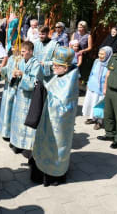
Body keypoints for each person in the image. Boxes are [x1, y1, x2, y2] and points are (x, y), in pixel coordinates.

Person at [31, 46, 79, 186]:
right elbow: (51, 86)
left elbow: (63, 105)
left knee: (57, 147)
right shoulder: (61, 74)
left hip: (59, 124)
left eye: (57, 65)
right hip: (47, 121)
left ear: (66, 66)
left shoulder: (71, 79)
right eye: (54, 64)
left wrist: (45, 94)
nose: (54, 67)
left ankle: (54, 175)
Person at [8, 41, 42, 153]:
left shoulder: (36, 64)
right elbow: (16, 77)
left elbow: (34, 82)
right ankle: (17, 143)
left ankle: (27, 145)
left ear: (30, 51)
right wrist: (14, 75)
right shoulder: (22, 61)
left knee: (26, 121)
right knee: (18, 120)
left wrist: (23, 75)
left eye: (23, 51)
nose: (21, 53)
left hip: (29, 98)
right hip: (20, 96)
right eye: (21, 51)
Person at [82, 46, 113, 129]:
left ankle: (99, 121)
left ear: (108, 55)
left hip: (102, 88)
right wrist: (88, 83)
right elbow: (92, 72)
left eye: (103, 54)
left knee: (99, 105)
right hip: (93, 85)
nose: (100, 55)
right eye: (99, 53)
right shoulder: (96, 61)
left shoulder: (111, 64)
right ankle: (93, 118)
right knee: (92, 103)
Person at [0, 45, 20, 141]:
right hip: (8, 88)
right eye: (13, 47)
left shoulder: (22, 60)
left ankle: (12, 132)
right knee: (6, 109)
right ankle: (6, 131)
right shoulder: (12, 58)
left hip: (16, 89)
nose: (13, 49)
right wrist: (0, 70)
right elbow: (7, 69)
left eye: (15, 47)